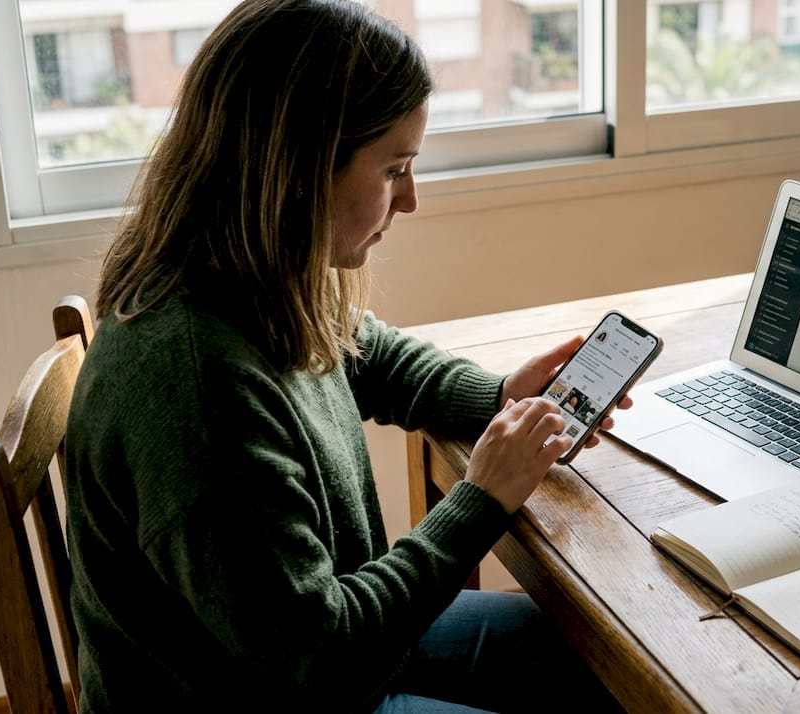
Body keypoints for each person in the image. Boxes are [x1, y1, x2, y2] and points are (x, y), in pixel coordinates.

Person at [64, 1, 624, 712]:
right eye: (394, 169)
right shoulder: (198, 389)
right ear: (300, 169)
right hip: (300, 684)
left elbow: (366, 354)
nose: (410, 200)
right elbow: (319, 660)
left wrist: (496, 394)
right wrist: (479, 499)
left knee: (594, 661)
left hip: (318, 654)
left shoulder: (241, 278)